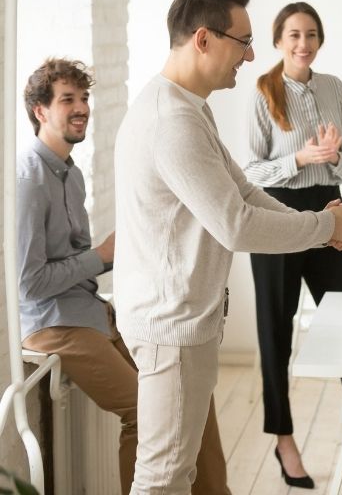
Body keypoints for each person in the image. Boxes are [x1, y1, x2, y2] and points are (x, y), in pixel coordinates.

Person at [114, 0, 342, 494]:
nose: (251, 56)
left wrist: (325, 229)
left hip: (185, 321)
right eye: (243, 41)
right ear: (204, 39)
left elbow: (245, 192)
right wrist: (326, 226)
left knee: (183, 472)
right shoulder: (172, 122)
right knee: (163, 476)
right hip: (172, 327)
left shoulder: (190, 108)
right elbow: (236, 224)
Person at [16, 58, 230, 494]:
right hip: (53, 324)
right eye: (67, 100)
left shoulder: (71, 174)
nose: (81, 108)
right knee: (145, 412)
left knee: (192, 395)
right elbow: (28, 284)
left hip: (91, 311)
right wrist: (102, 255)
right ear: (40, 111)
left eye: (84, 98)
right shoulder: (28, 180)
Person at [244, 2, 342, 488]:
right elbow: (251, 171)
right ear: (278, 40)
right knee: (276, 330)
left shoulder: (333, 87)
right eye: (293, 35)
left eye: (311, 34)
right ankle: (283, 439)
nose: (303, 43)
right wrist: (299, 158)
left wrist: (333, 159)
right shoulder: (262, 91)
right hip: (275, 213)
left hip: (329, 208)